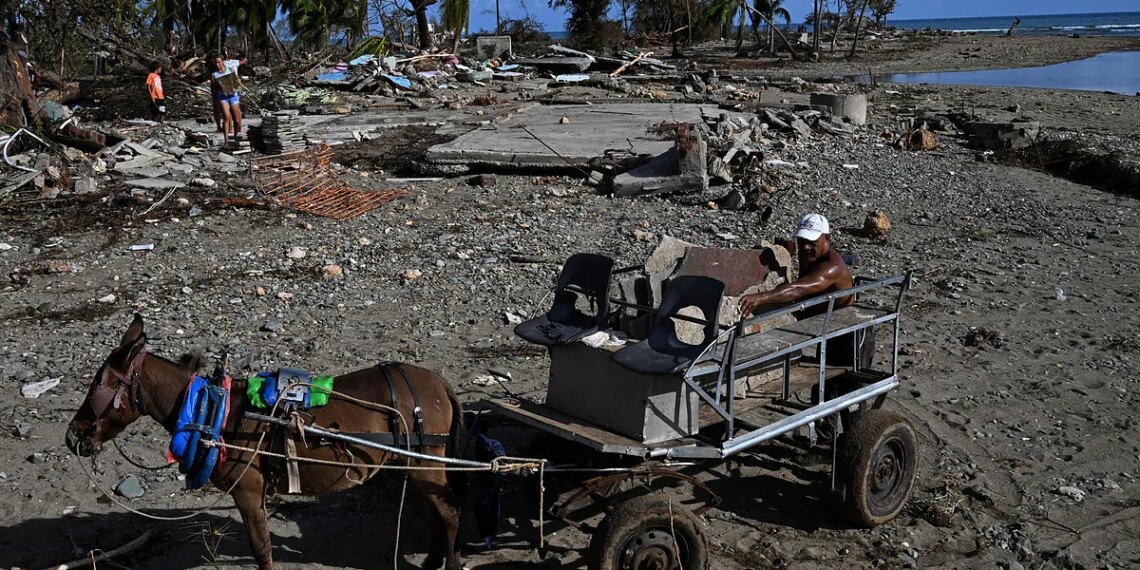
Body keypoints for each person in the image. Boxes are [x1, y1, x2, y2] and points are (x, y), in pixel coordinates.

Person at [740, 213, 871, 367]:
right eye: (801, 241)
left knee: (844, 382)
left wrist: (761, 297)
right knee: (823, 377)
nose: (805, 247)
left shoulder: (832, 267)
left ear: (827, 239)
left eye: (812, 242)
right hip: (827, 325)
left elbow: (800, 289)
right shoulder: (808, 255)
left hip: (848, 331)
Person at [210, 53, 243, 147]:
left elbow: (237, 82)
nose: (217, 65)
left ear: (223, 61)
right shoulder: (214, 75)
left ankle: (235, 136)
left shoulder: (230, 70)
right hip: (222, 97)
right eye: (216, 63)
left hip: (233, 96)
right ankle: (226, 141)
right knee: (226, 117)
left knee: (236, 120)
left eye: (219, 62)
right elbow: (213, 88)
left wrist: (238, 81)